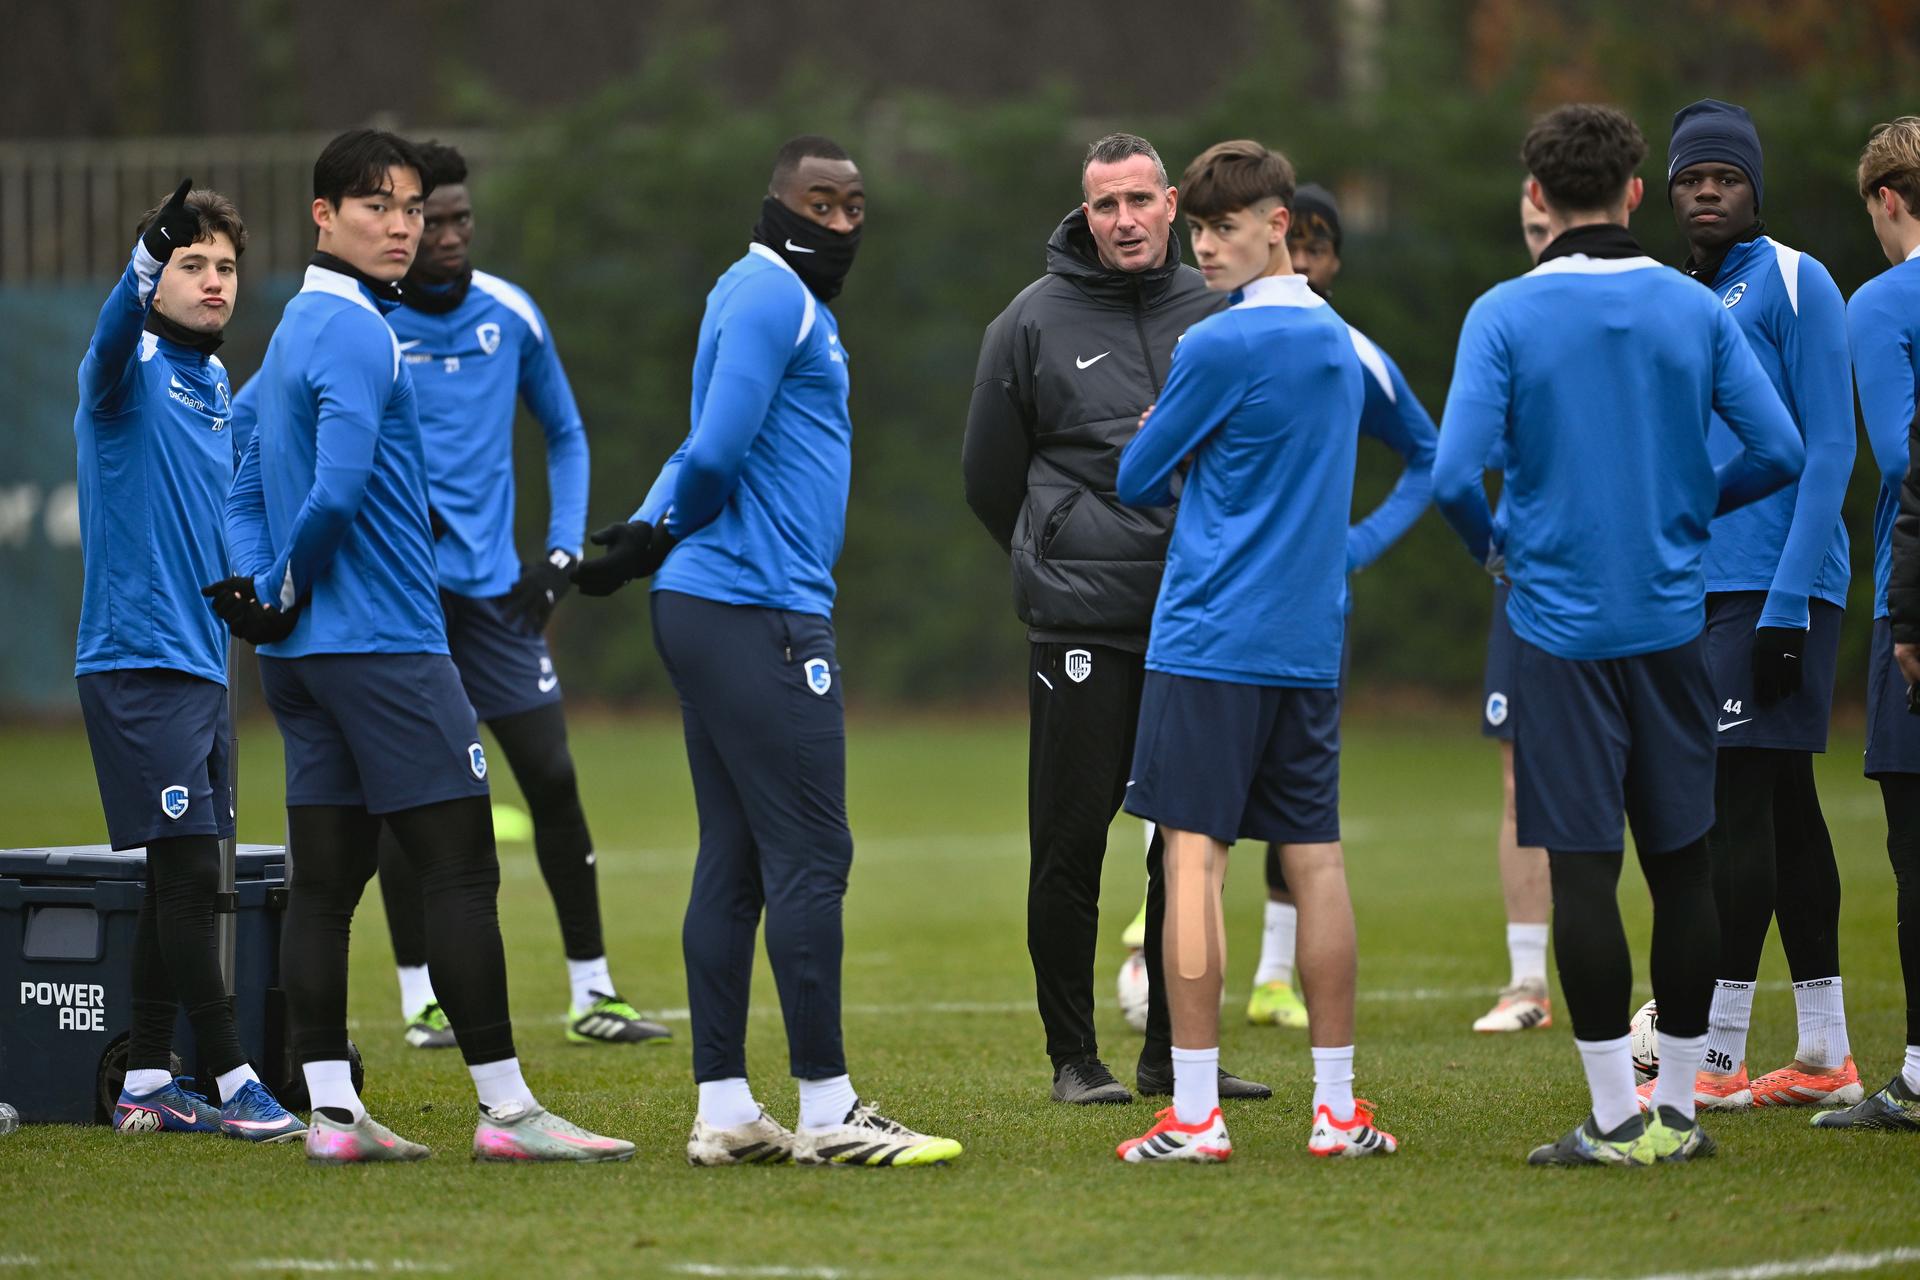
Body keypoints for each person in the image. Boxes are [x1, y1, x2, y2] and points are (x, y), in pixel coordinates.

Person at [213, 128, 631, 1164]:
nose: (402, 226)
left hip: (303, 658)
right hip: (390, 649)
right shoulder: (357, 331)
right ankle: (507, 1109)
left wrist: (261, 596)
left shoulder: (289, 329)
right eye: (375, 206)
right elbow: (339, 487)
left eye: (411, 206)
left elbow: (239, 470)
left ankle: (334, 1116)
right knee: (461, 872)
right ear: (322, 216)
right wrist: (292, 575)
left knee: (324, 885)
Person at [570, 135, 961, 1167]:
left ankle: (727, 1109)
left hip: (721, 606)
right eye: (821, 204)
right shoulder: (774, 293)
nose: (841, 223)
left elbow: (696, 445)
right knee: (812, 856)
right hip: (758, 611)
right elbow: (716, 448)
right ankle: (829, 1110)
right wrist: (655, 533)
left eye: (855, 208)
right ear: (779, 206)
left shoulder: (758, 294)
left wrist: (641, 537)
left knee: (737, 858)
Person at [1434, 103, 1803, 1167]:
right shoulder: (1693, 311)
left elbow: (1457, 474)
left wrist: (1494, 544)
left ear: (1539, 198)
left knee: (1586, 871)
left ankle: (1610, 1119)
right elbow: (1777, 448)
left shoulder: (1503, 313)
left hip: (1558, 630)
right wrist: (1692, 507)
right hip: (1672, 621)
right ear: (1636, 192)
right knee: (1684, 863)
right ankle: (1679, 1110)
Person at [962, 133, 1266, 1105]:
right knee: (1071, 842)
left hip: (1199, 618)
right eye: (1105, 205)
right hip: (1082, 626)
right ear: (1083, 213)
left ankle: (1176, 1056)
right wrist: (1061, 545)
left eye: (1140, 199)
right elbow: (988, 479)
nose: (1125, 220)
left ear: (1173, 203)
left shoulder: (1222, 305)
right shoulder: (1029, 320)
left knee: (1191, 843)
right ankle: (1074, 1057)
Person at [1113, 139, 1397, 1164]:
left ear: (1280, 224)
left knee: (1193, 860)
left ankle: (1194, 1113)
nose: (1206, 247)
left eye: (1224, 228)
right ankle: (1338, 1110)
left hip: (1209, 638)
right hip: (1307, 640)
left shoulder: (1216, 346)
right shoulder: (1341, 344)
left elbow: (1140, 475)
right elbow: (1423, 450)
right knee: (1314, 860)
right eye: (1198, 229)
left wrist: (1168, 434)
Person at [374, 140, 668, 1051]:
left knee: (553, 779)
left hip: (502, 602)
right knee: (409, 800)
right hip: (406, 610)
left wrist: (560, 553)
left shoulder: (511, 313)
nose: (452, 236)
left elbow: (568, 434)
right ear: (403, 226)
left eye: (463, 220)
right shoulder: (364, 324)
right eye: (434, 221)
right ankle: (419, 999)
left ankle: (594, 993)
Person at [75, 180, 304, 1143]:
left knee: (185, 880)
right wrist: (142, 258)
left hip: (205, 667)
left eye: (225, 267)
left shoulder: (215, 383)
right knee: (185, 880)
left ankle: (148, 1084)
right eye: (190, 263)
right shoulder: (125, 369)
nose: (213, 282)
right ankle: (231, 1071)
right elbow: (104, 341)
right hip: (137, 661)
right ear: (157, 273)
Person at [1644, 99, 1860, 1113]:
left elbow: (1830, 449)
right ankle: (1823, 1048)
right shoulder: (1684, 298)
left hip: (1775, 589)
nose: (1706, 192)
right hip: (1703, 590)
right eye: (1691, 178)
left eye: (1724, 177)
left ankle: (1717, 1057)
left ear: (1754, 188)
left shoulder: (1796, 279)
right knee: (1783, 808)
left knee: (1732, 809)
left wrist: (1784, 602)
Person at [1240, 182, 1437, 1034]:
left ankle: (1275, 976)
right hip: (1212, 611)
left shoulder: (1350, 350)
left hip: (1312, 612)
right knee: (1187, 812)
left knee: (1297, 799)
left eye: (1322, 250)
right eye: (1298, 244)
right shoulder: (1217, 337)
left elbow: (1429, 457)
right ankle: (1153, 963)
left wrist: (1354, 545)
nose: (1308, 264)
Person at [1825, 114, 1920, 1132]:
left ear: (1885, 201)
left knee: (1915, 843)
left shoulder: (1882, 298)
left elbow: (1899, 453)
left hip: (1915, 589)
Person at [1467, 179, 1557, 1036]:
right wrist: (1495, 539)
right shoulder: (1509, 317)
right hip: (1526, 584)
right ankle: (1528, 983)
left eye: (1549, 226)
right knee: (1519, 774)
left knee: (1650, 780)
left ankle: (1685, 996)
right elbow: (1468, 451)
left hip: (1627, 586)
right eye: (1529, 228)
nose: (1541, 241)